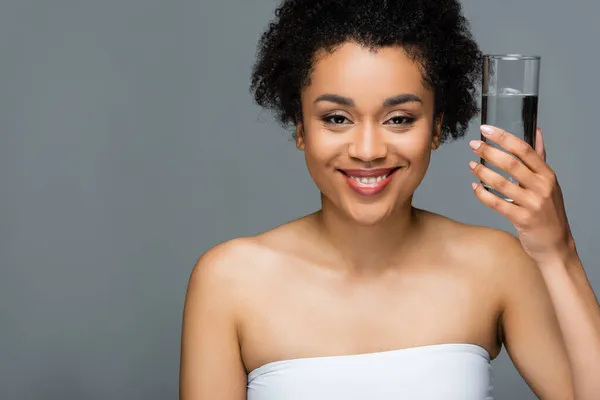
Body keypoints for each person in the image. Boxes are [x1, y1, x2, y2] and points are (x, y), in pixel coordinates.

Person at [179, 0, 600, 399]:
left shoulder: (495, 265)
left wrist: (558, 252)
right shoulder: (230, 281)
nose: (367, 149)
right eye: (336, 119)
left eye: (399, 119)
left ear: (437, 127)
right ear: (301, 128)